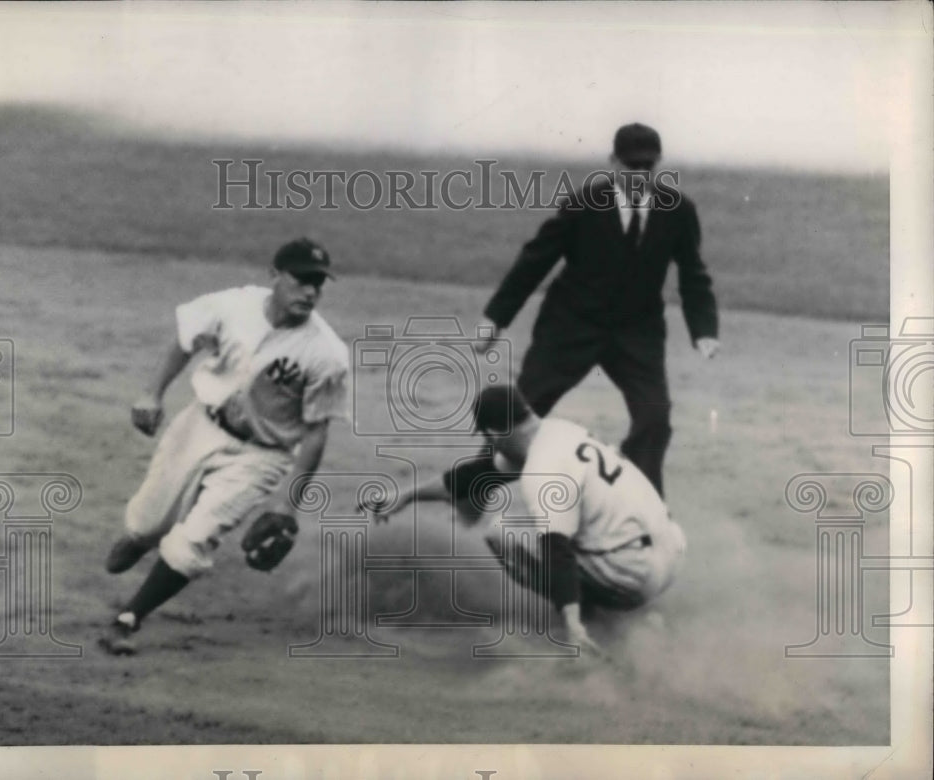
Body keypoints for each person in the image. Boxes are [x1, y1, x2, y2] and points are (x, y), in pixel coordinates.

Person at [99, 238, 349, 655]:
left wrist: (289, 504)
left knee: (194, 539)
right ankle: (141, 538)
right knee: (148, 524)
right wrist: (152, 393)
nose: (310, 292)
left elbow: (316, 431)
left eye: (318, 284)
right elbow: (185, 340)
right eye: (302, 280)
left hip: (261, 456)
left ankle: (129, 618)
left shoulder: (327, 354)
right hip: (199, 426)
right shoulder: (234, 306)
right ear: (276, 276)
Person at [474, 123, 720, 496]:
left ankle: (642, 504)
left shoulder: (679, 211)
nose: (639, 176)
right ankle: (472, 489)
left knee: (654, 418)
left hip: (637, 333)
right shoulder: (583, 204)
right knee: (523, 410)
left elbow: (693, 275)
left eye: (647, 168)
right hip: (570, 326)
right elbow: (535, 261)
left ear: (659, 165)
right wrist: (495, 319)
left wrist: (704, 330)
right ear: (612, 163)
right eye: (630, 166)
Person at [366, 385, 686, 654]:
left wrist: (572, 622)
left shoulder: (542, 471)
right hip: (672, 550)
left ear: (493, 433)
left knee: (502, 533)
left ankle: (596, 623)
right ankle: (638, 613)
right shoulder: (559, 432)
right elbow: (477, 476)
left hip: (633, 572)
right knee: (568, 529)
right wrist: (407, 495)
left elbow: (556, 551)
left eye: (488, 438)